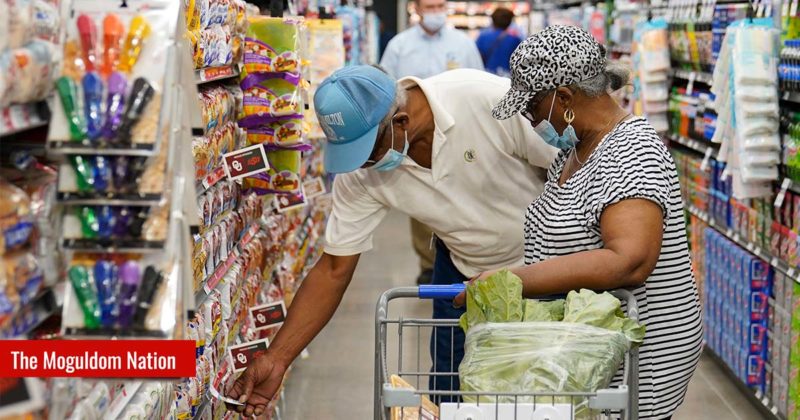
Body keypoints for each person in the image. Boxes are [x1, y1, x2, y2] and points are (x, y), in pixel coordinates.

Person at [226, 65, 557, 416]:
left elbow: (571, 165)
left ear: (401, 122)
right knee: (453, 394)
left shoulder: (487, 100)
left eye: (367, 152)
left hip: (549, 267)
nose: (361, 165)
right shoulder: (362, 174)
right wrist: (277, 359)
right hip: (464, 276)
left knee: (547, 390)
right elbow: (334, 269)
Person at [455, 25, 703, 419]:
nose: (528, 119)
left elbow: (630, 261)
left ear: (565, 97)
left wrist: (512, 280)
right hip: (588, 349)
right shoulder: (574, 150)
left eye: (531, 108)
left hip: (637, 361)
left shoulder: (632, 149)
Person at [380, 0, 485, 284]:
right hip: (414, 134)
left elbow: (480, 80)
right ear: (416, 8)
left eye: (440, 5)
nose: (436, 11)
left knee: (463, 192)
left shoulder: (463, 44)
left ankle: (466, 258)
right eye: (430, 6)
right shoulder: (400, 46)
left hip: (459, 130)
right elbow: (386, 88)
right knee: (422, 196)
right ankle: (428, 264)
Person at [475, 7, 523, 76]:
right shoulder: (515, 40)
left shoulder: (483, 37)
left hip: (487, 75)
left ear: (493, 20)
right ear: (509, 22)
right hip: (507, 77)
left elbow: (477, 58)